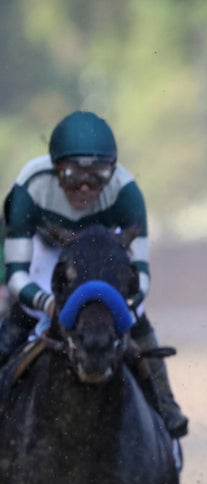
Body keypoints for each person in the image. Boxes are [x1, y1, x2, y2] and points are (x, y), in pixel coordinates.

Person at [1, 110, 188, 437]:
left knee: (138, 320)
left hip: (102, 257)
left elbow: (142, 276)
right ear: (55, 169)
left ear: (112, 172)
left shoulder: (127, 192)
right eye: (73, 176)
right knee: (18, 322)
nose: (86, 188)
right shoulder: (29, 186)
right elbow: (17, 275)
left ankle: (165, 404)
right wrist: (47, 305)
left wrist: (123, 305)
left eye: (98, 177)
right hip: (47, 256)